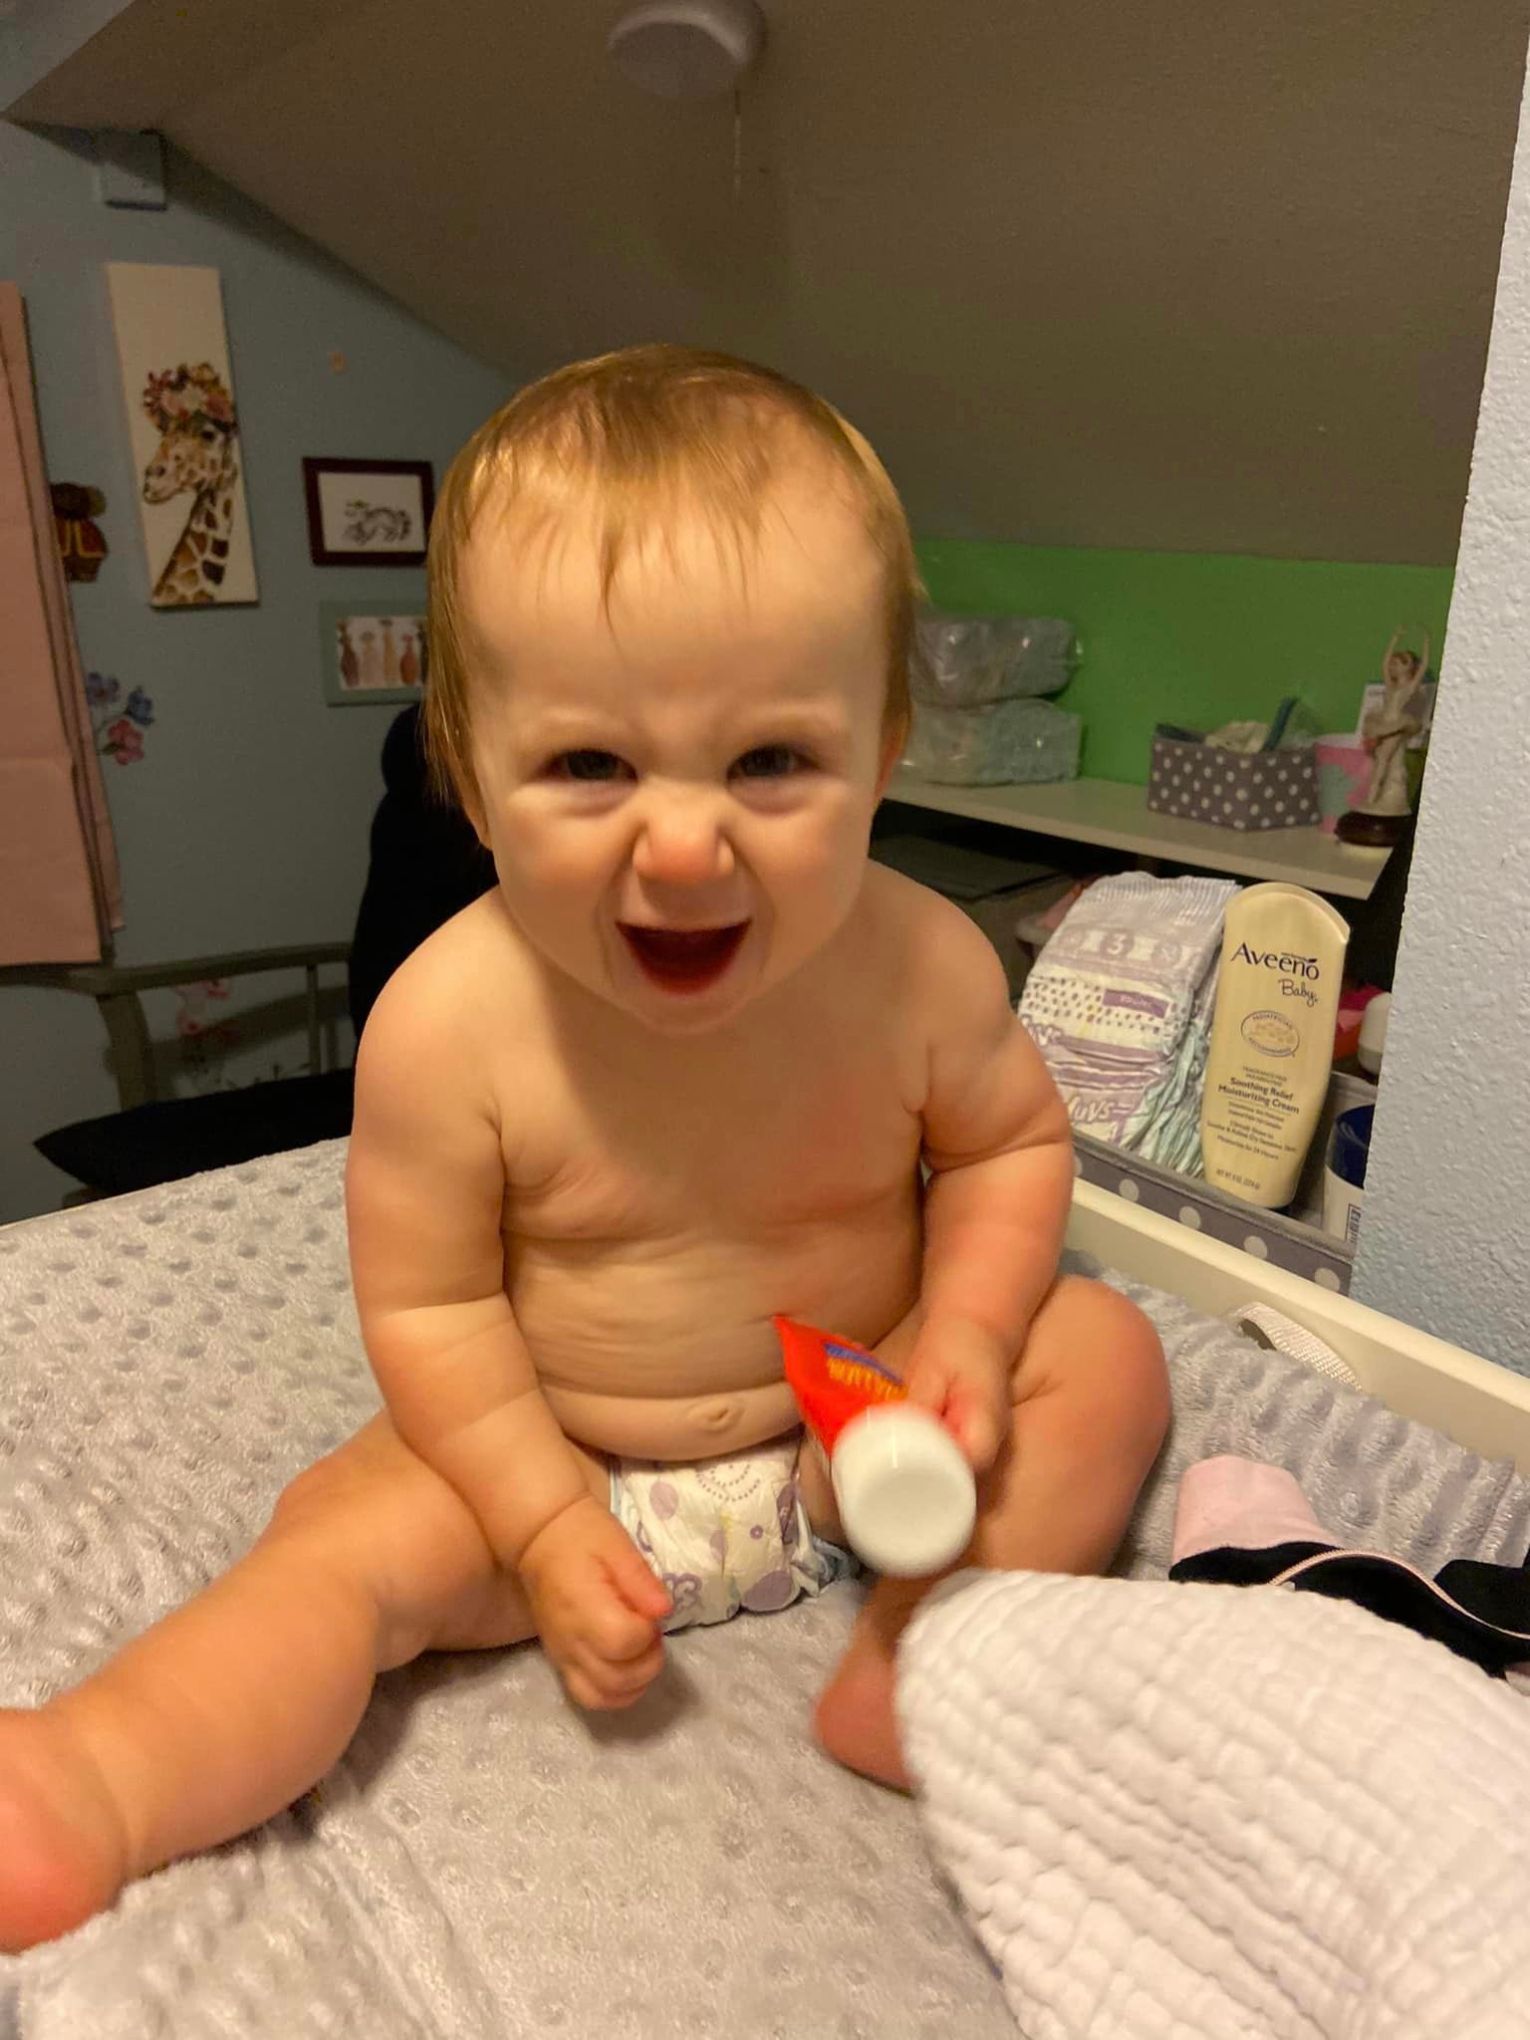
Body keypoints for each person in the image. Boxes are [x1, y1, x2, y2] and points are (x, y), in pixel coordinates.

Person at [0, 346, 1169, 1952]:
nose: (683, 844)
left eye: (770, 761)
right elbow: (432, 1312)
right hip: (560, 1463)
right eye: (589, 765)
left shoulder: (925, 967)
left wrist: (959, 1335)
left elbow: (1003, 1153)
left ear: (884, 744)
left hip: (858, 1422)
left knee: (1100, 1350)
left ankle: (920, 1664)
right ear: (470, 773)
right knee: (337, 1548)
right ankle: (99, 1775)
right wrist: (544, 1526)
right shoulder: (448, 1024)